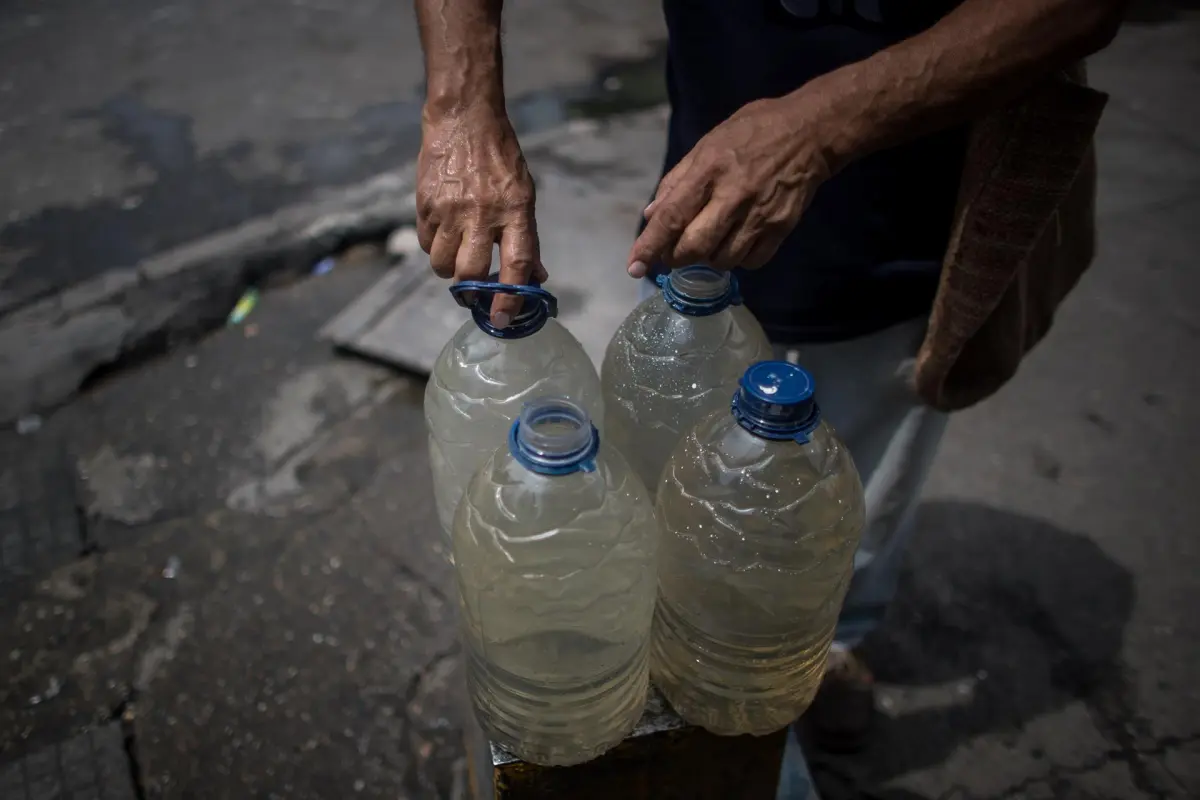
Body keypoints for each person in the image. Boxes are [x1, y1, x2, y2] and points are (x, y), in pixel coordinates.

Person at [413, 0, 1127, 793]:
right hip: (703, 206)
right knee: (656, 489)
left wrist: (823, 126)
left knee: (838, 513)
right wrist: (461, 101)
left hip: (907, 228)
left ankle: (828, 649)